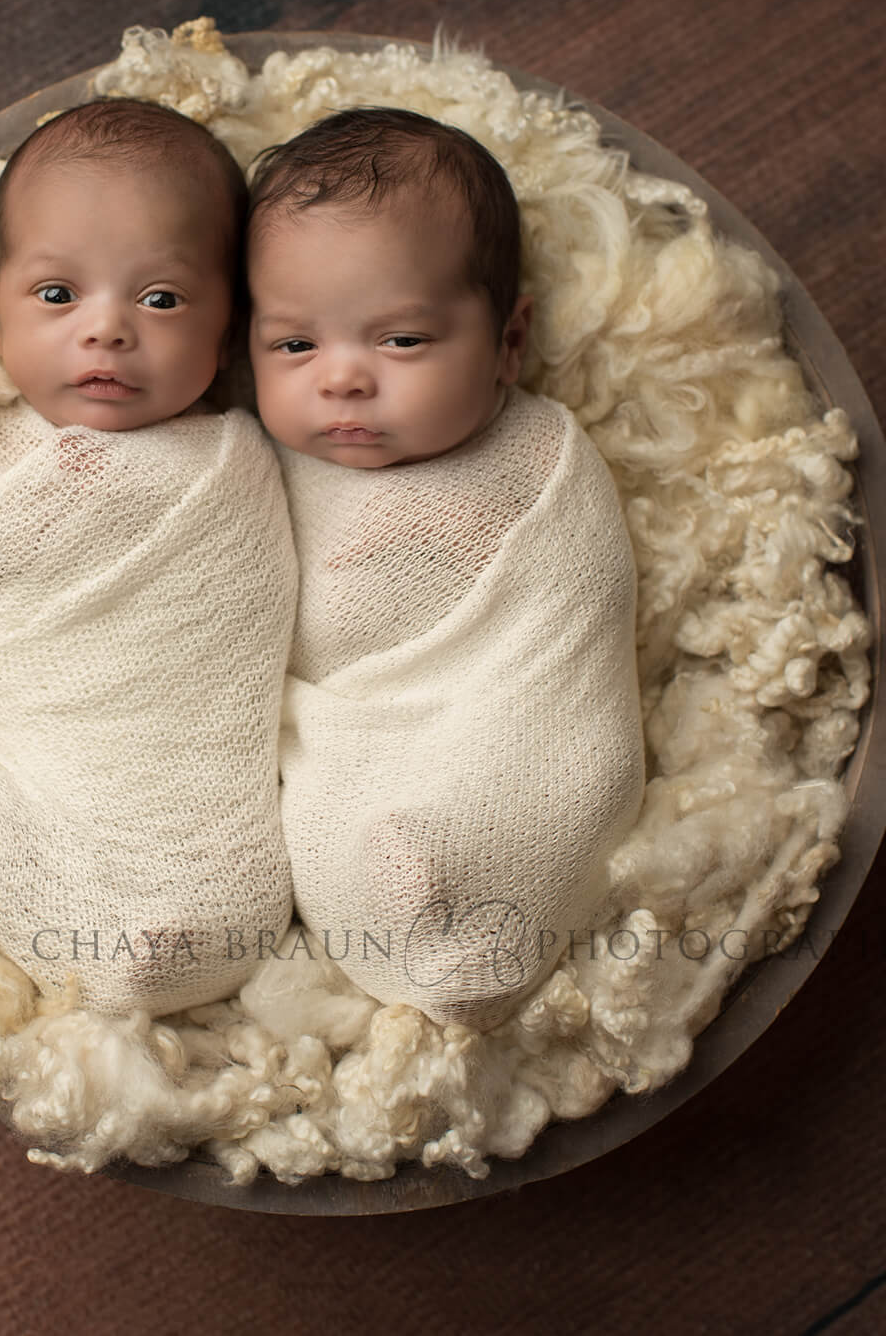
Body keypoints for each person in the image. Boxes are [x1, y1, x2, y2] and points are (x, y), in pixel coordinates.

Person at [247, 107, 646, 1028]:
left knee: (558, 787)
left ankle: (475, 876)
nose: (341, 378)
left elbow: (574, 611)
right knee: (341, 838)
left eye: (401, 340)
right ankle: (401, 881)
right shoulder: (261, 465)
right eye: (295, 344)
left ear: (509, 341)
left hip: (506, 712)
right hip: (356, 742)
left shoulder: (540, 456)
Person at [0, 99, 295, 1017]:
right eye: (57, 296)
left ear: (230, 325)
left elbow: (258, 623)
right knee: (10, 827)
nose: (106, 331)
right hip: (51, 774)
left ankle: (199, 919)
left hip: (199, 794)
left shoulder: (238, 464)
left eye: (161, 299)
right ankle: (98, 928)